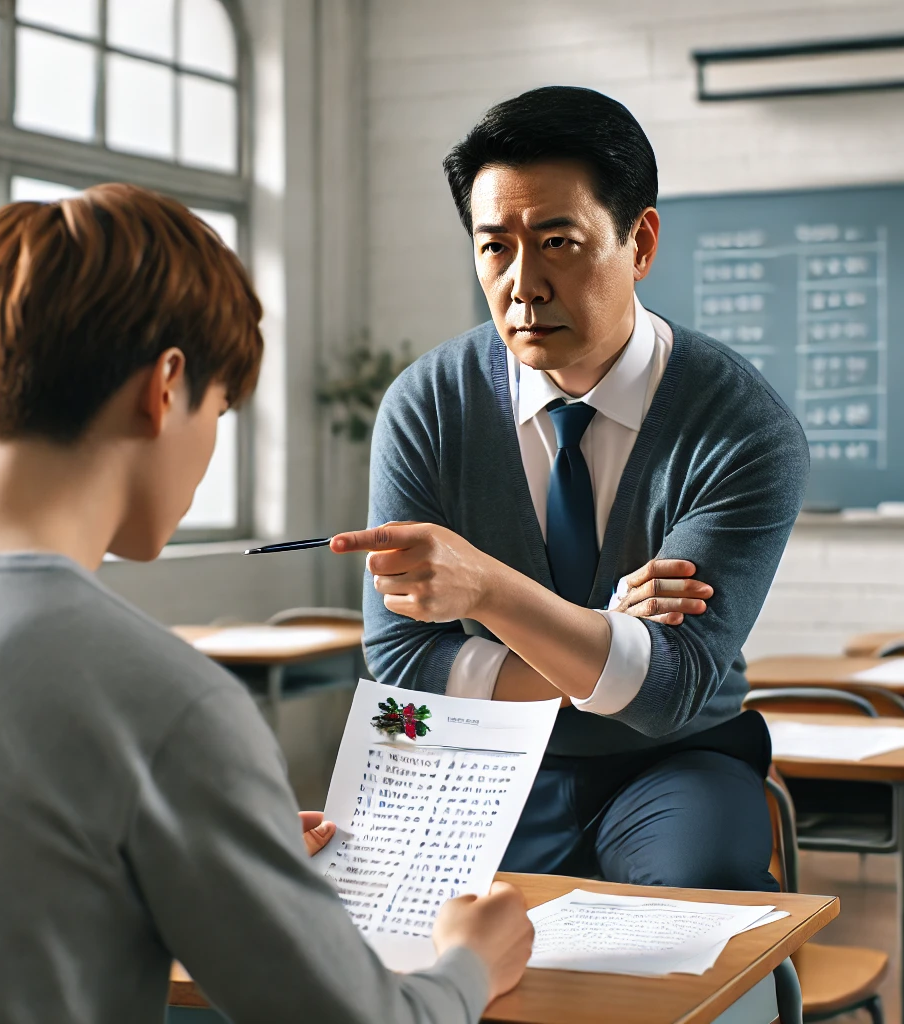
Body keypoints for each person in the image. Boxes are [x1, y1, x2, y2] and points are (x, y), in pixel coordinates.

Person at [0, 184, 533, 1023]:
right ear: (166, 385)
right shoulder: (162, 702)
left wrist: (211, 852)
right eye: (220, 408)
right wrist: (472, 962)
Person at [332, 86, 809, 891]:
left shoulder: (743, 426)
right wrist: (605, 640)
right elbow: (404, 662)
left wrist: (485, 591)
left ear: (641, 241)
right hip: (476, 754)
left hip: (676, 759)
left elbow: (666, 690)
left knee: (687, 913)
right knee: (404, 940)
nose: (524, 285)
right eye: (495, 247)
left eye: (558, 241)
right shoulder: (428, 405)